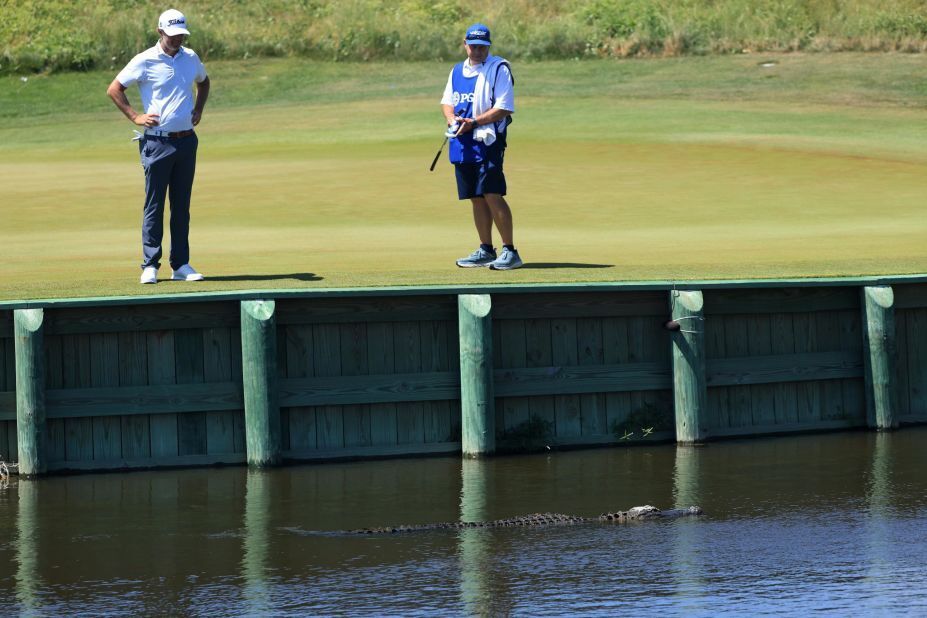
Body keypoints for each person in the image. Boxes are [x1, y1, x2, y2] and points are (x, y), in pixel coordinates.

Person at [106, 9, 210, 284]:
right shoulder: (144, 60)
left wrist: (198, 109)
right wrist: (135, 116)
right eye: (173, 35)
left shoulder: (190, 58)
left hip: (187, 141)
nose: (177, 40)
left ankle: (181, 265)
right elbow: (114, 88)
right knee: (154, 205)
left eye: (181, 35)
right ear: (160, 32)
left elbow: (204, 81)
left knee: (181, 206)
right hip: (157, 142)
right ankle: (150, 265)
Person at [441, 23, 523, 270]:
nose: (477, 51)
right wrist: (452, 119)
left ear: (488, 47)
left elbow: (504, 107)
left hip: (488, 141)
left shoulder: (499, 68)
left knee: (491, 194)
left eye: (482, 47)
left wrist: (474, 122)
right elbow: (447, 102)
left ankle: (510, 251)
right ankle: (486, 249)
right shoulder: (456, 71)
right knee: (475, 197)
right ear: (465, 44)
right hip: (462, 142)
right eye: (473, 46)